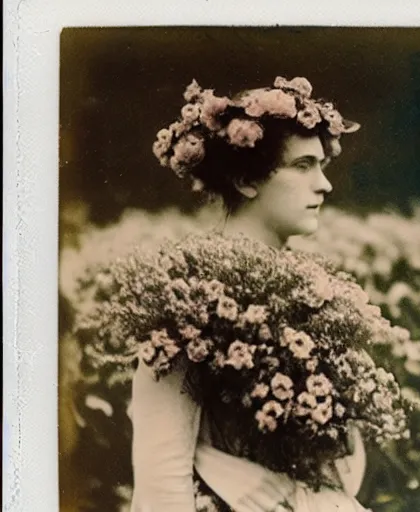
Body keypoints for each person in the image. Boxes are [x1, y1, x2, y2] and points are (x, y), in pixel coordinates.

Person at [130, 76, 370, 511]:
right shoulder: (189, 293)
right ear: (245, 179)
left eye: (322, 166)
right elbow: (160, 466)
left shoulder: (315, 290)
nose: (324, 185)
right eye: (302, 166)